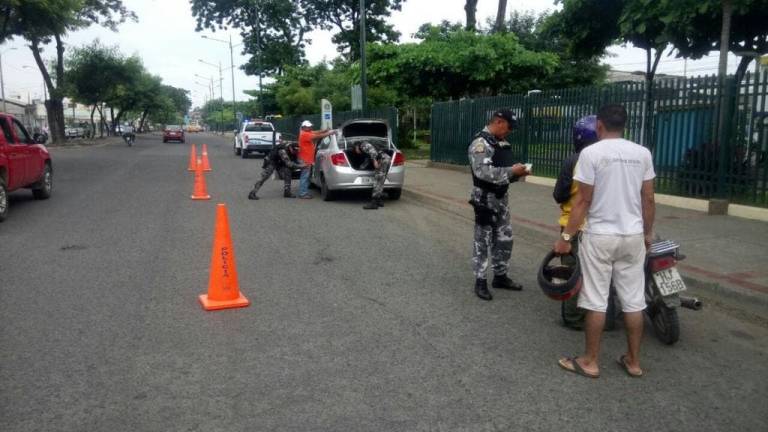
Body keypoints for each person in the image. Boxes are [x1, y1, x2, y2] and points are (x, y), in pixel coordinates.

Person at [554, 104, 656, 379]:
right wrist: (647, 234)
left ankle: (590, 361)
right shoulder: (642, 153)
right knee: (634, 301)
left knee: (596, 299)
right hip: (633, 236)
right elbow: (648, 199)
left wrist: (566, 238)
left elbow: (582, 201)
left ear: (599, 125)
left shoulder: (591, 153)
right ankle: (633, 362)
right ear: (624, 124)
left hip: (600, 236)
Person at [469, 109, 530, 301]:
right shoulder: (480, 144)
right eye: (509, 127)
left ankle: (500, 276)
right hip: (485, 198)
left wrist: (517, 173)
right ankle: (480, 280)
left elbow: (503, 167)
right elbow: (482, 172)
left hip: (501, 197)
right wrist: (511, 171)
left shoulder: (499, 142)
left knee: (504, 238)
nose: (510, 132)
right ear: (499, 122)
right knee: (483, 240)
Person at [553, 115, 599, 330]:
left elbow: (560, 194)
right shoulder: (612, 157)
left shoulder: (574, 160)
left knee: (573, 271)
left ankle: (573, 317)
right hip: (604, 226)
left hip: (574, 225)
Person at [297, 120, 335, 199]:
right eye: (308, 126)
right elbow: (318, 136)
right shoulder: (305, 134)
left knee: (305, 176)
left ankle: (303, 192)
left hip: (306, 158)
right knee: (305, 176)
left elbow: (316, 132)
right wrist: (330, 133)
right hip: (305, 159)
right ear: (304, 127)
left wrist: (325, 130)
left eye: (310, 126)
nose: (310, 127)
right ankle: (303, 193)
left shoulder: (306, 132)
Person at [352, 141, 392, 210]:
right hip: (386, 159)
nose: (357, 153)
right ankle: (379, 200)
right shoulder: (365, 148)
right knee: (381, 181)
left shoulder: (363, 145)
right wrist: (360, 168)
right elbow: (367, 160)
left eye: (355, 150)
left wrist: (375, 162)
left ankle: (374, 203)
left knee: (378, 180)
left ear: (356, 147)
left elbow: (373, 153)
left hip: (382, 160)